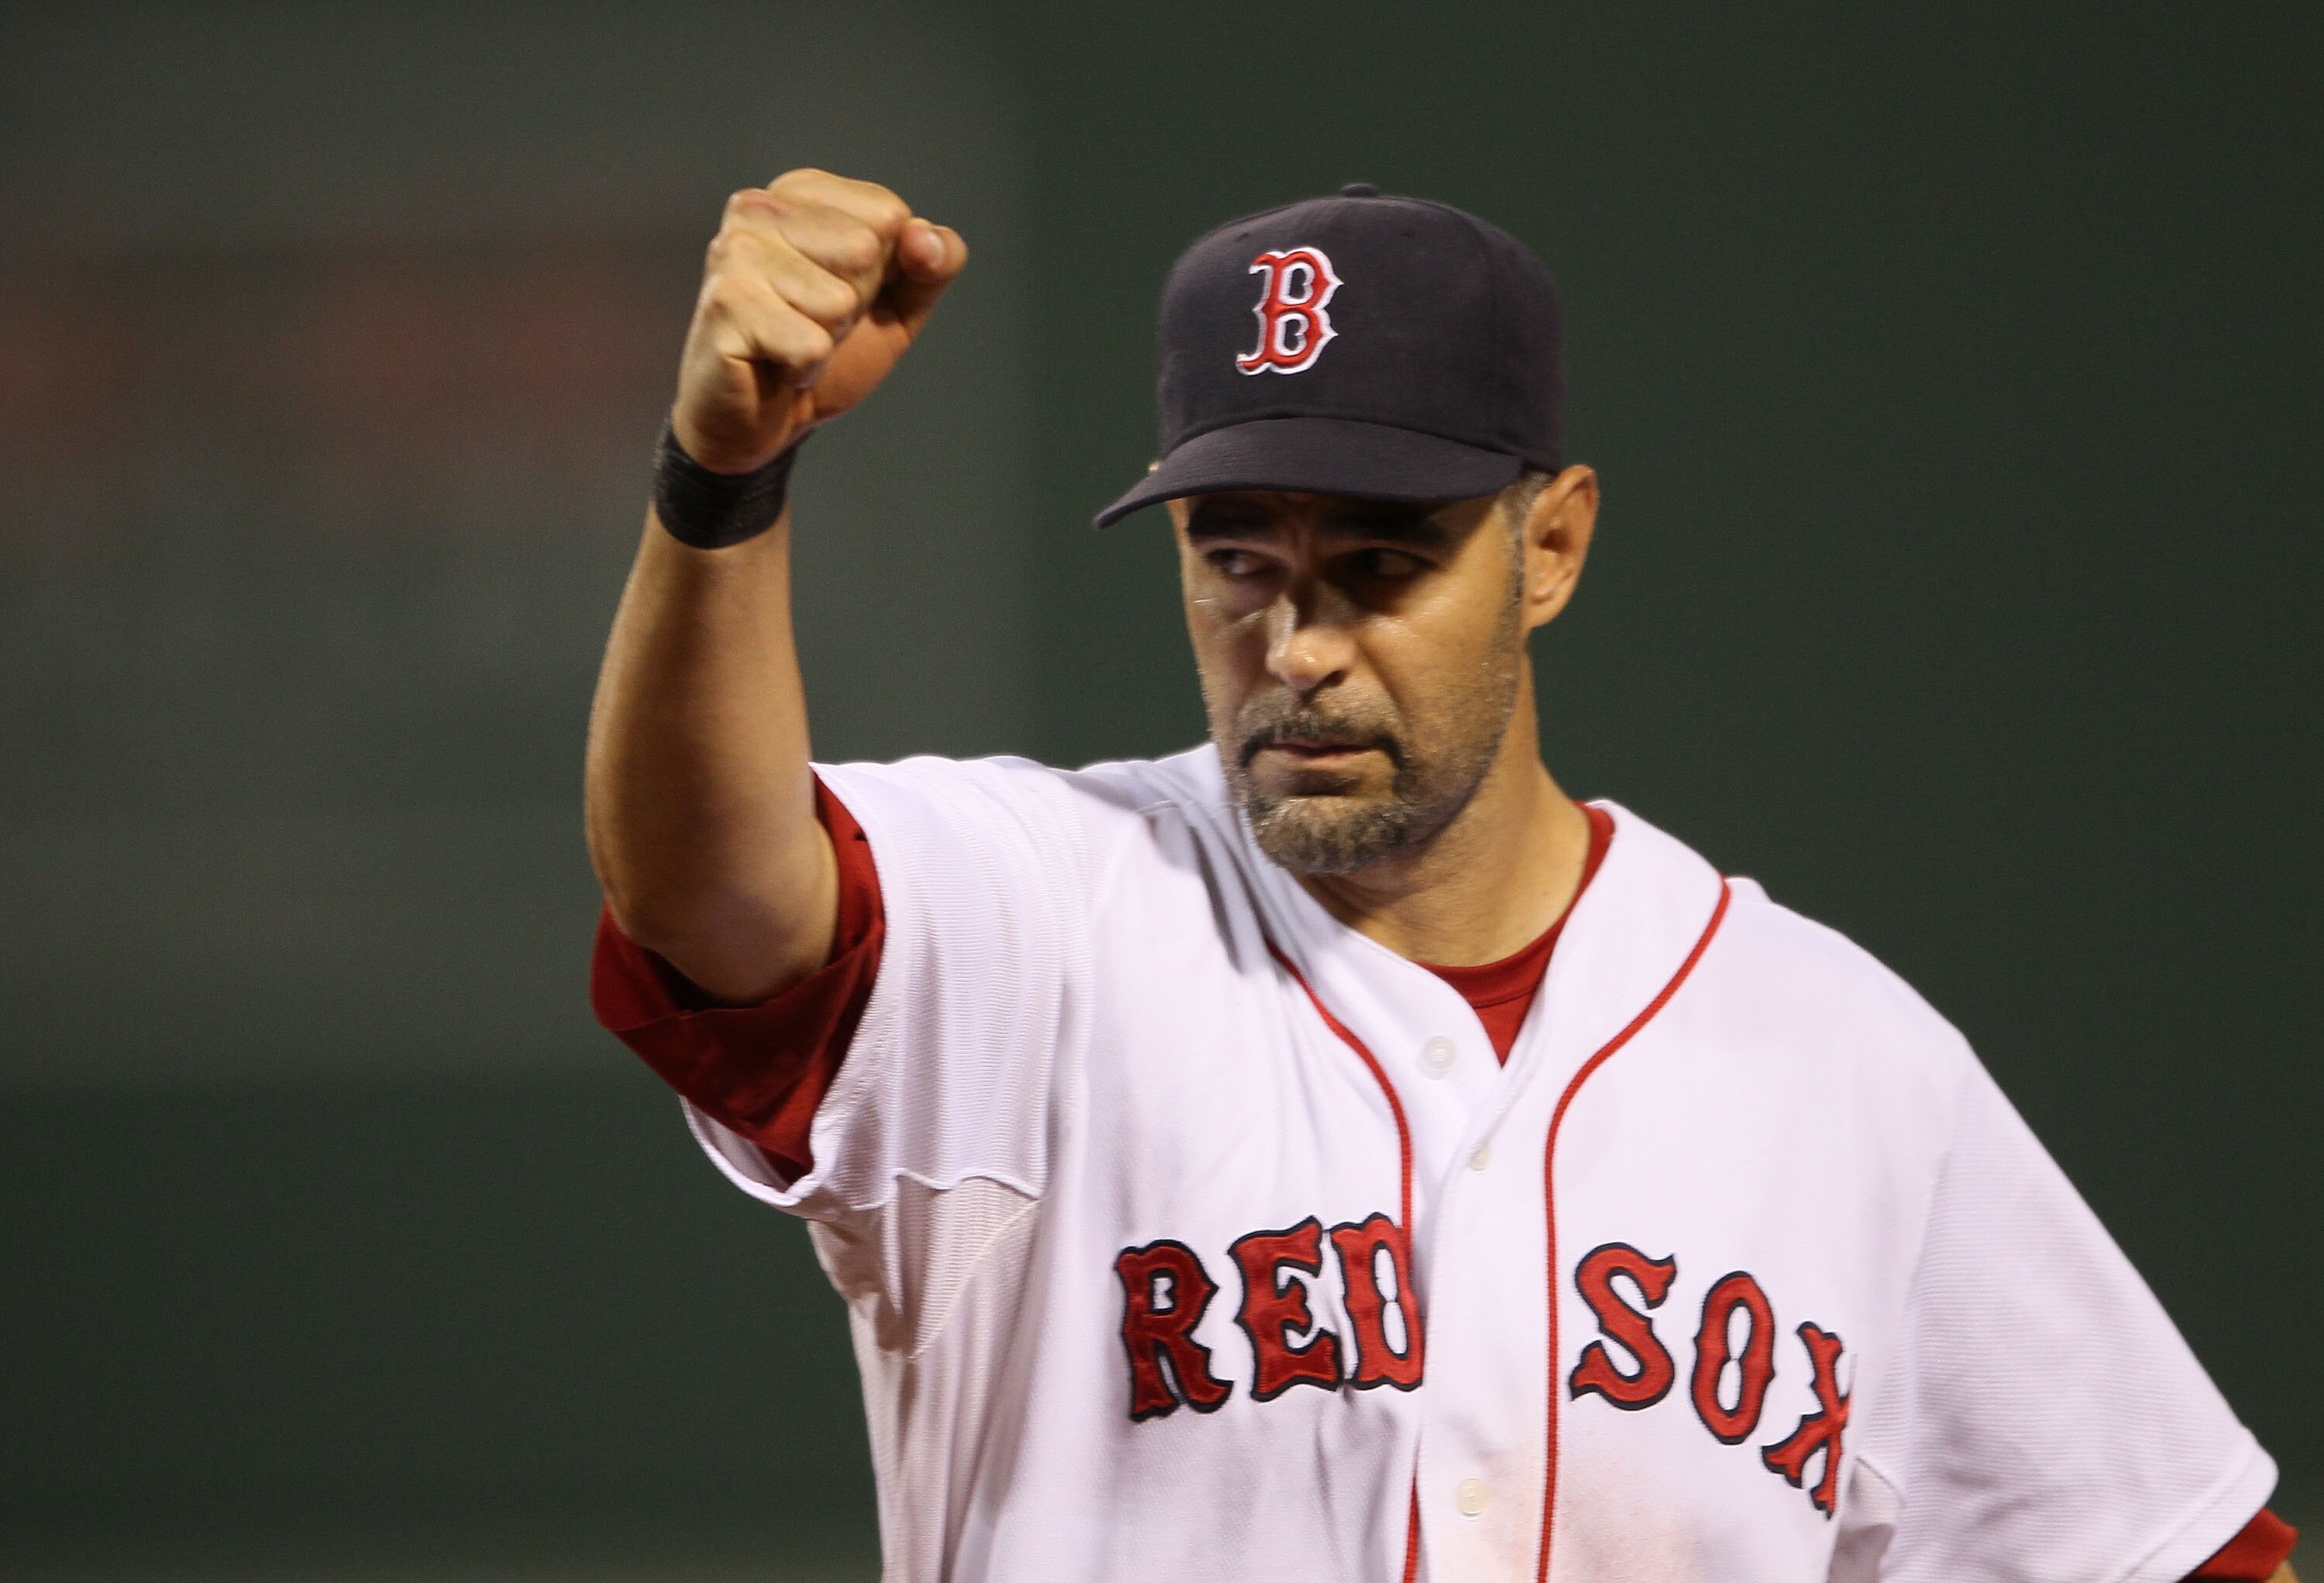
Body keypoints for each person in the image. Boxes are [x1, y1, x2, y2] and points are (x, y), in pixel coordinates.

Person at [584, 170, 2298, 1583]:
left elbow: (2175, 1550)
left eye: (1381, 561)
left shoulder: (1844, 1064)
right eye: (1237, 559)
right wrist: (723, 477)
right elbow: (707, 895)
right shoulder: (1043, 912)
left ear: (1550, 546)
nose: (1298, 645)